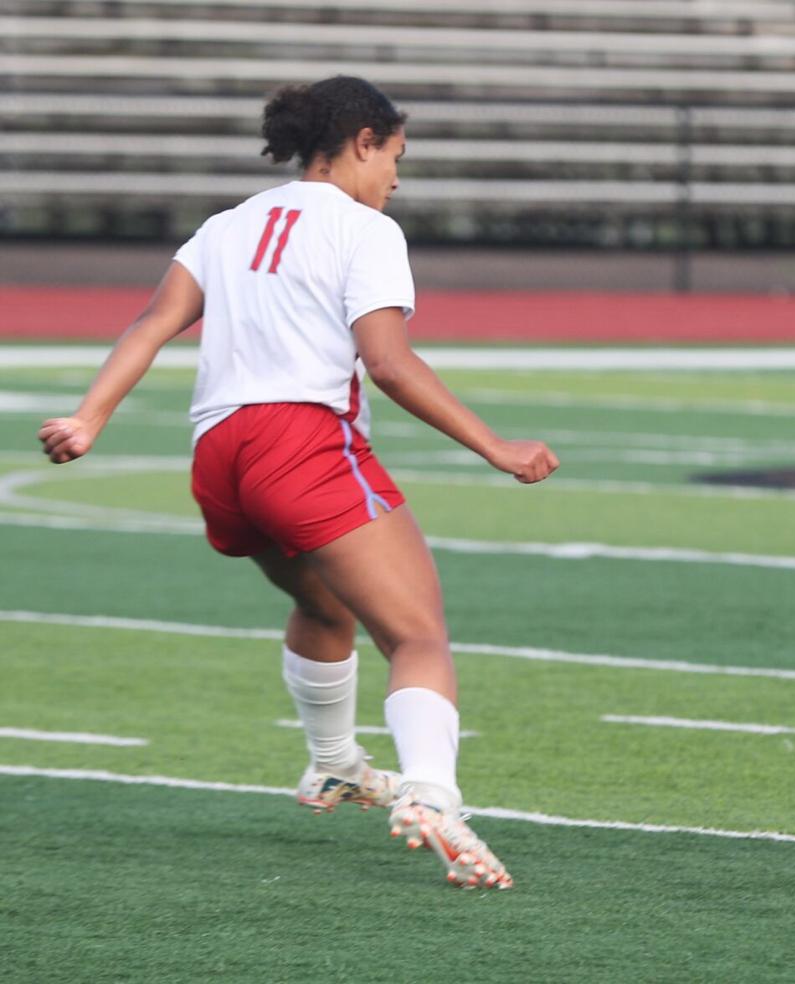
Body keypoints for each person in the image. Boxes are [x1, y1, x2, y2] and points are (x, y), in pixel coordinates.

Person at [37, 75, 558, 890]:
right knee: (417, 635)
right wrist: (495, 446)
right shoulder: (366, 230)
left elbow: (151, 323)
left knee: (324, 603)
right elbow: (387, 362)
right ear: (362, 140)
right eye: (396, 155)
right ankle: (432, 797)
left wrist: (89, 417)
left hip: (218, 455)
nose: (397, 177)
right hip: (300, 440)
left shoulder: (227, 224)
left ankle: (333, 763)